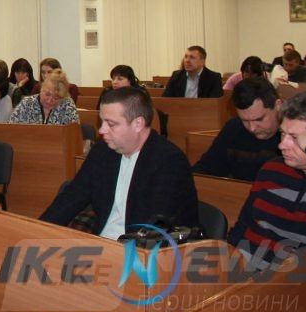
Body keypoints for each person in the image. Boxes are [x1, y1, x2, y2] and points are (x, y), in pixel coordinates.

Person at [40, 87, 199, 239]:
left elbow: (154, 230)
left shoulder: (169, 161)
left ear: (138, 124)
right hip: (103, 241)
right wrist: (37, 231)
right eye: (102, 122)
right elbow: (72, 197)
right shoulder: (103, 150)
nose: (101, 130)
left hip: (143, 249)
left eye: (111, 124)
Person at [228, 91, 306, 269]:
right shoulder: (272, 169)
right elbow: (243, 226)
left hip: (291, 280)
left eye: (295, 138)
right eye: (283, 134)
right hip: (240, 268)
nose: (282, 145)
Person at [192, 78, 281, 182]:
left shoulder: (293, 136)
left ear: (278, 106)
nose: (252, 128)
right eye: (245, 120)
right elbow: (207, 169)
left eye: (259, 119)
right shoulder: (234, 128)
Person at [9, 70, 79, 125]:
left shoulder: (67, 104)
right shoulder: (27, 103)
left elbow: (74, 132)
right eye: (47, 94)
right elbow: (12, 128)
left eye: (56, 98)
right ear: (41, 88)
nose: (49, 100)